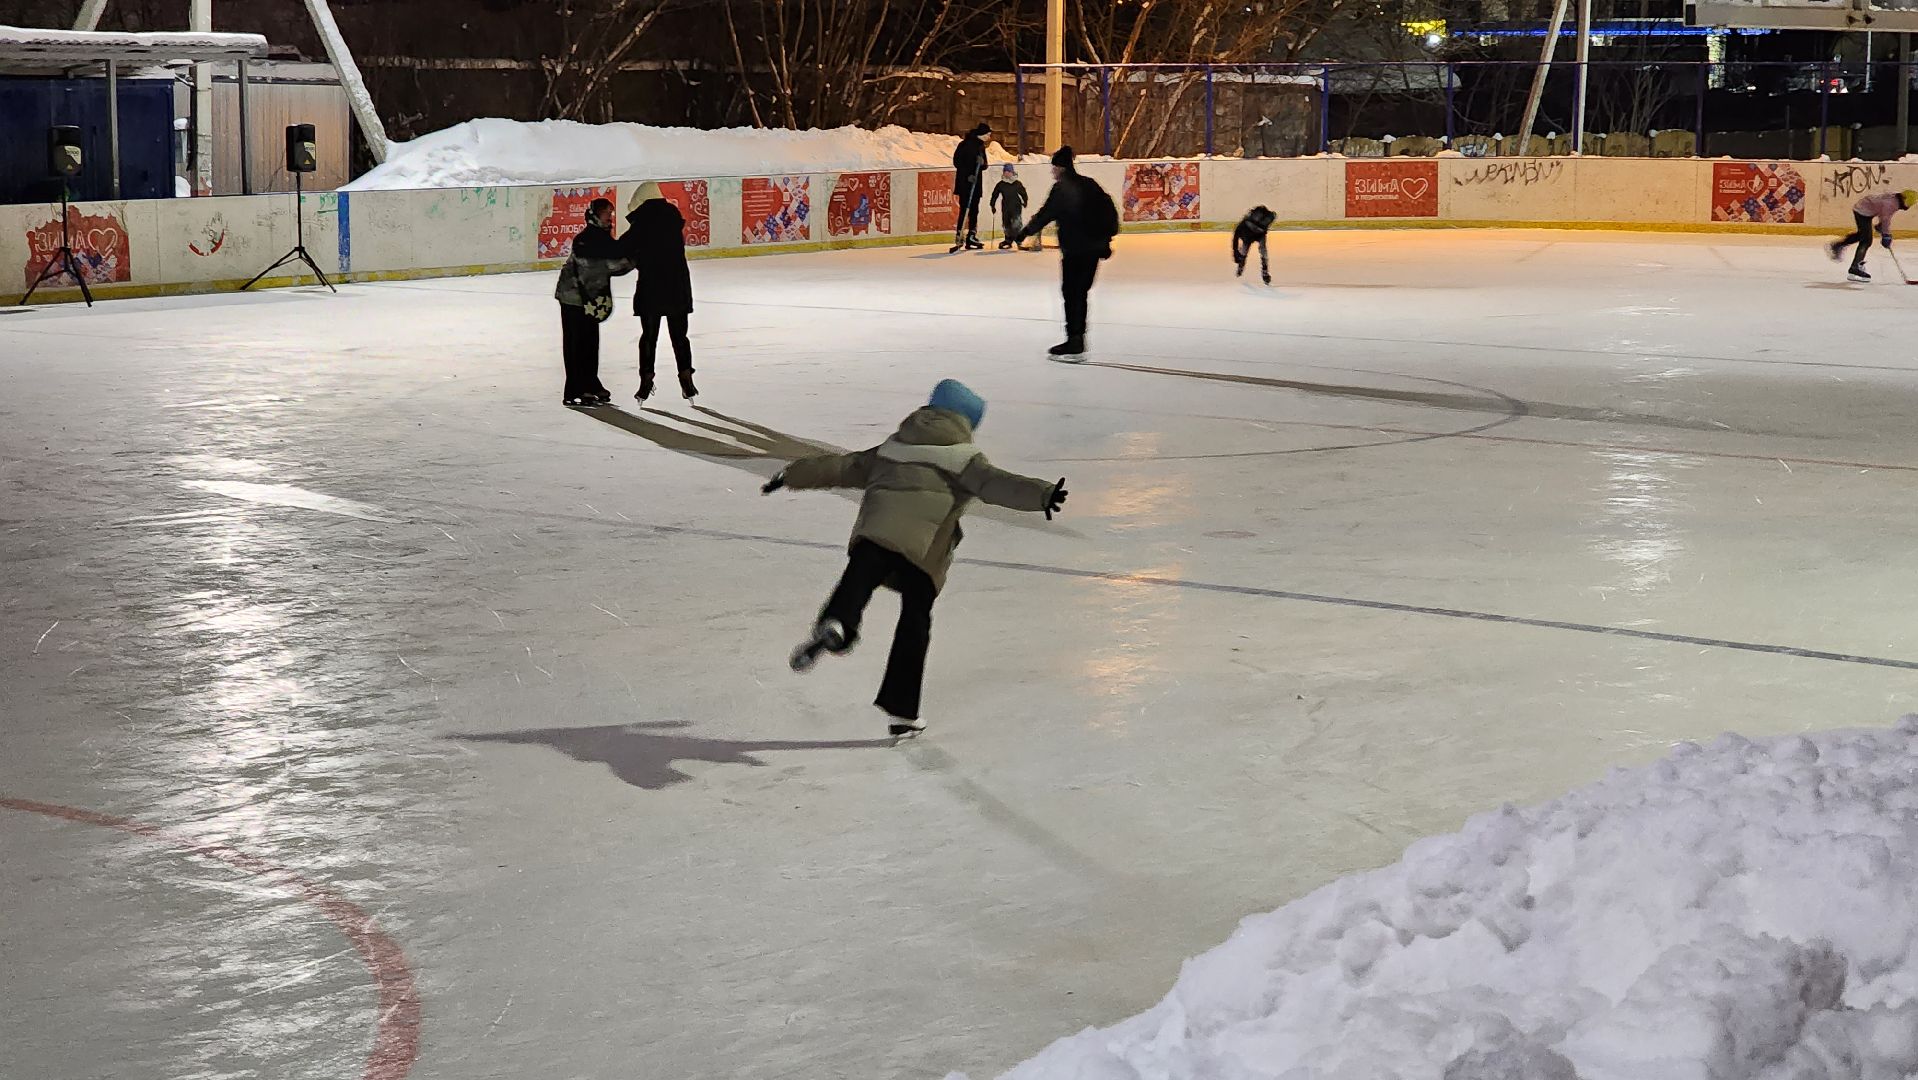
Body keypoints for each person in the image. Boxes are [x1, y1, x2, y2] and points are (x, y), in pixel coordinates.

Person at [763, 380, 1068, 737]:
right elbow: (997, 483)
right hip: (924, 551)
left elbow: (843, 467)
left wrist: (792, 474)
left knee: (859, 576)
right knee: (914, 619)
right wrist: (1043, 495)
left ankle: (838, 622)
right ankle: (902, 708)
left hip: (877, 531)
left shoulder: (893, 447)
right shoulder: (964, 459)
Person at [1012, 147, 1120, 358]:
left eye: (1054, 168)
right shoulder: (1089, 185)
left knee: (1072, 294)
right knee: (1080, 293)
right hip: (1093, 249)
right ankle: (1078, 337)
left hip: (1076, 250)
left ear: (1060, 168)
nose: (1052, 172)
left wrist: (1023, 233)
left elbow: (1045, 214)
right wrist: (1104, 242)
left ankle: (1075, 340)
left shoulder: (1062, 189)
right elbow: (1106, 212)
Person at [622, 181, 697, 401]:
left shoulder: (641, 221)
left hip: (651, 286)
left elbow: (625, 248)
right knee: (680, 336)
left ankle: (646, 381)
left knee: (649, 337)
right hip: (677, 286)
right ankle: (686, 379)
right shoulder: (673, 218)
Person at [553, 197, 631, 408]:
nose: (611, 219)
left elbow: (614, 263)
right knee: (575, 343)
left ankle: (590, 382)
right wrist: (632, 258)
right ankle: (574, 390)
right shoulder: (585, 239)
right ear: (596, 215)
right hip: (573, 297)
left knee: (590, 341)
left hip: (589, 297)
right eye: (608, 214)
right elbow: (608, 266)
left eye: (611, 215)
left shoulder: (602, 238)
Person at [1830, 189, 1916, 282]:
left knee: (1862, 235)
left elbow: (1884, 213)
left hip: (1864, 208)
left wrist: (1881, 226)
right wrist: (1886, 235)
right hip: (1863, 212)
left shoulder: (1894, 200)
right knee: (1866, 241)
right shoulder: (1892, 204)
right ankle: (1855, 267)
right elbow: (1886, 218)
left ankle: (1838, 245)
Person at [952, 122, 992, 250]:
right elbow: (958, 162)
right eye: (988, 134)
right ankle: (960, 234)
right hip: (965, 184)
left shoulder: (981, 147)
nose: (989, 137)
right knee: (965, 209)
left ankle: (971, 235)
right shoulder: (964, 145)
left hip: (976, 184)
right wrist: (967, 176)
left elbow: (985, 165)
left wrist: (983, 163)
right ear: (982, 134)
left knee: (974, 210)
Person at [1233, 205, 1278, 285]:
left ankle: (1242, 265)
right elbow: (1236, 236)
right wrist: (1235, 251)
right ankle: (1264, 271)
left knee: (1250, 249)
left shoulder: (1246, 224)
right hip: (1254, 234)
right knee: (1261, 250)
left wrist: (1235, 251)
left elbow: (1236, 236)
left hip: (1256, 234)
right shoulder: (1245, 225)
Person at [990, 164, 1031, 251]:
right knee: (1006, 224)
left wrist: (1025, 201)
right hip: (1005, 207)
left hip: (1016, 206)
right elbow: (994, 195)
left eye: (1008, 172)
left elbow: (1023, 193)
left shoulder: (1017, 183)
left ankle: (1019, 240)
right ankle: (1008, 240)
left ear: (1012, 172)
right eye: (1005, 172)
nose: (1007, 174)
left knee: (1016, 223)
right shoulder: (1001, 184)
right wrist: (992, 205)